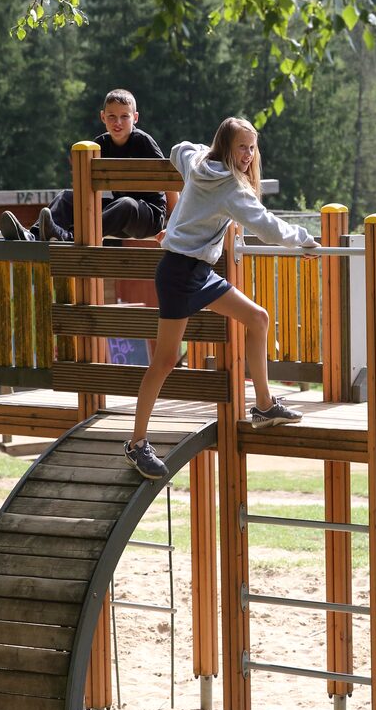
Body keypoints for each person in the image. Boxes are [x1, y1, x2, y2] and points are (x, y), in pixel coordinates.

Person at [124, 117, 319, 479]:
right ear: (226, 147)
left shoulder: (197, 161)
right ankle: (137, 444)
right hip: (179, 274)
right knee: (165, 361)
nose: (247, 155)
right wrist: (304, 240)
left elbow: (176, 149)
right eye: (241, 147)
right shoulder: (230, 187)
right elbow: (266, 225)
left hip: (199, 272)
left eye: (251, 148)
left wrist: (182, 221)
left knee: (258, 318)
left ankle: (263, 405)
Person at [0, 88, 168, 243]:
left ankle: (69, 237)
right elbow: (87, 189)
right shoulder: (100, 144)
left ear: (135, 117)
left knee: (127, 204)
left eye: (125, 116)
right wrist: (80, 206)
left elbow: (169, 182)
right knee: (67, 196)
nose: (118, 122)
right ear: (103, 117)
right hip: (117, 217)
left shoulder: (143, 142)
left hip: (148, 218)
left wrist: (173, 226)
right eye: (111, 116)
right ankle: (33, 235)